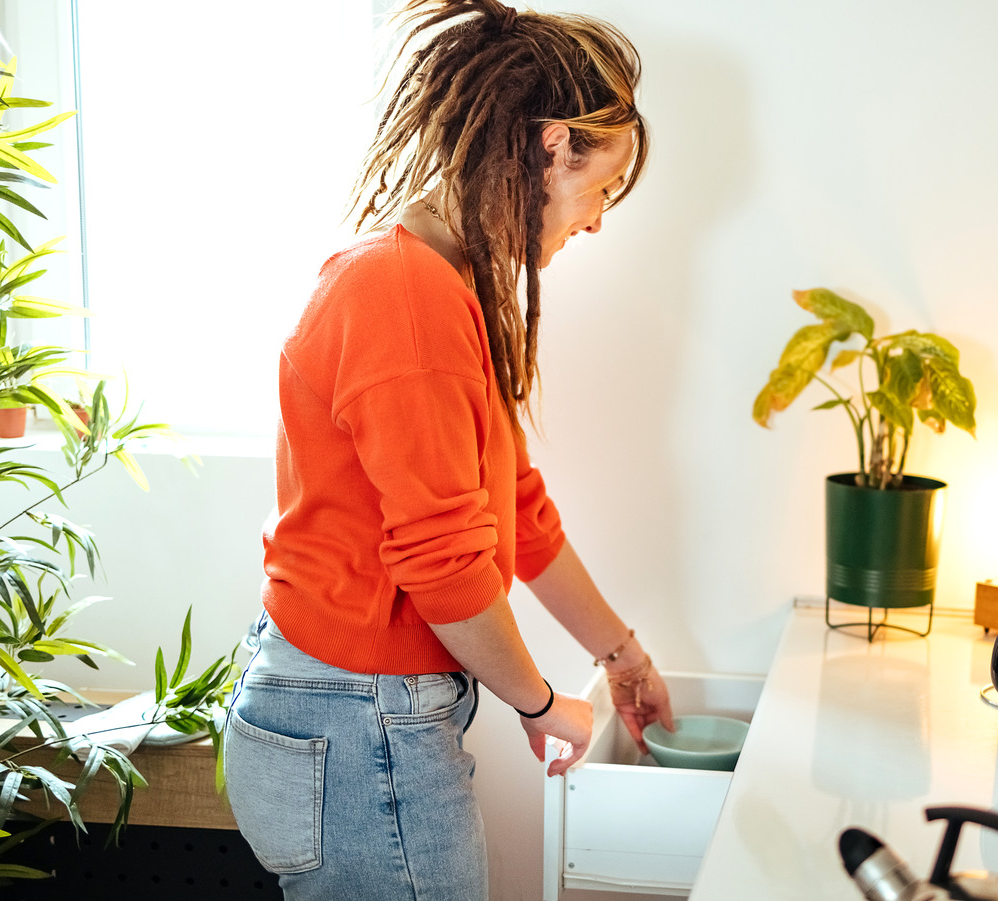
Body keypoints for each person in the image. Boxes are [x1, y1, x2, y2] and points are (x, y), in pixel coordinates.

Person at [221, 2, 673, 897]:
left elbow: (518, 508)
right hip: (353, 724)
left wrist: (623, 655)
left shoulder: (434, 280)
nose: (594, 222)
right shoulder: (403, 297)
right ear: (551, 150)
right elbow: (444, 566)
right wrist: (543, 705)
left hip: (351, 714)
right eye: (602, 190)